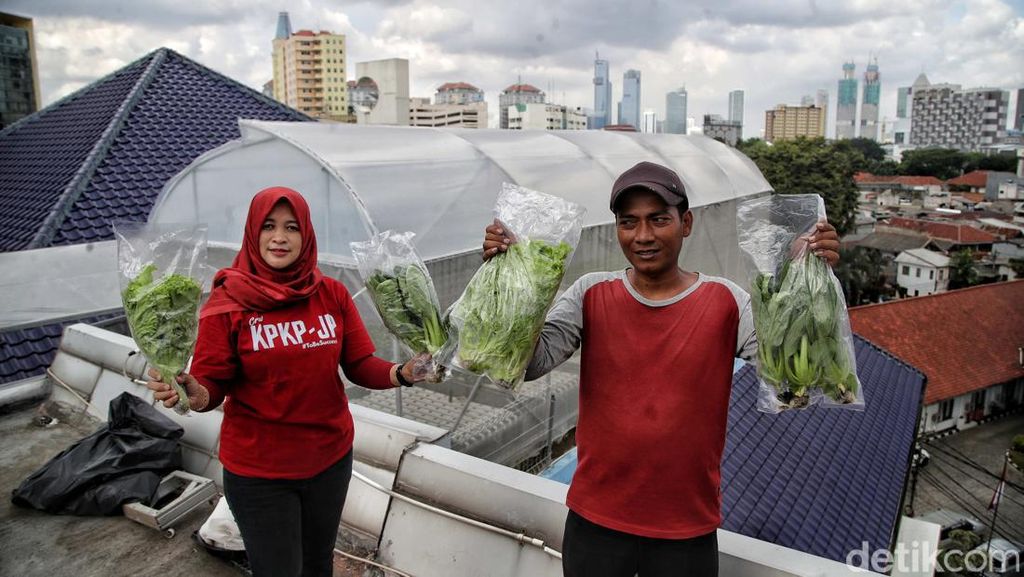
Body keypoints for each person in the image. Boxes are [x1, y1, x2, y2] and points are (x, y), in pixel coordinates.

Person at [482, 162, 840, 577]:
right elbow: (528, 364)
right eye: (628, 222)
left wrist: (812, 279)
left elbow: (792, 381)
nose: (643, 236)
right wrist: (504, 276)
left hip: (686, 530)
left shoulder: (728, 302)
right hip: (594, 521)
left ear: (685, 223)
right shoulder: (590, 294)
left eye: (658, 219)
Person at [146, 186, 427, 577]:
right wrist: (195, 393)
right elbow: (212, 382)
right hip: (260, 473)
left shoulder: (331, 294)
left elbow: (359, 362)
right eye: (269, 226)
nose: (280, 237)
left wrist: (401, 373)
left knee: (317, 564)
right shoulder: (227, 303)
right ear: (253, 233)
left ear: (306, 235)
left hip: (329, 460)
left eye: (292, 227)